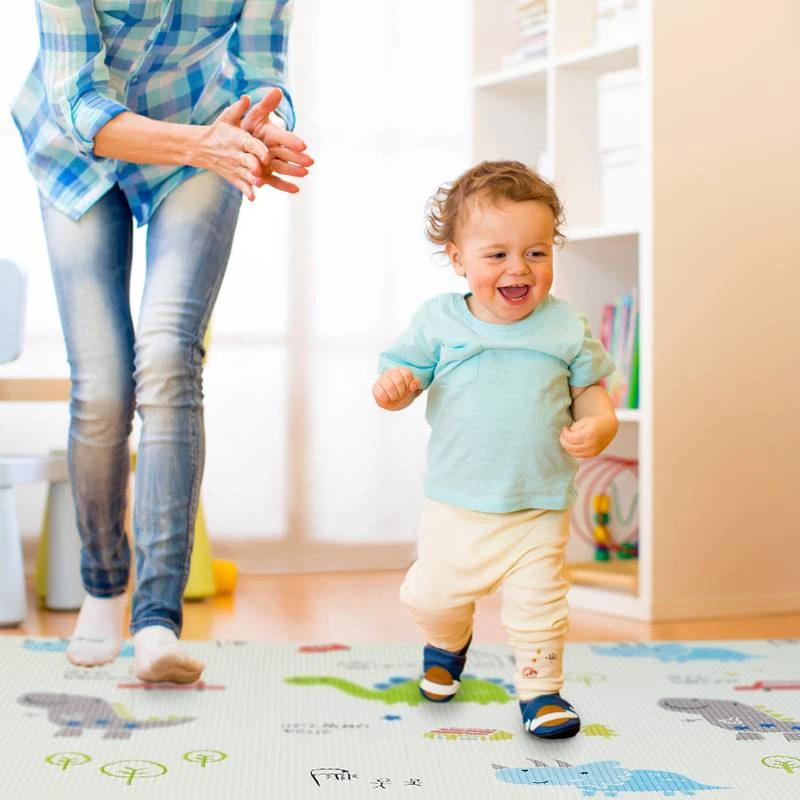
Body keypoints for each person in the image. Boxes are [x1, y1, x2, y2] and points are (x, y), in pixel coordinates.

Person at [11, 0, 313, 684]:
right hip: (78, 147)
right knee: (105, 386)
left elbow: (263, 73)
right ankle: (103, 585)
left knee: (171, 358)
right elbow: (76, 100)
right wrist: (202, 142)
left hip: (202, 133)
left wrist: (265, 132)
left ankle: (155, 622)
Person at [372, 160, 618, 739]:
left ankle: (541, 694)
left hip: (538, 499)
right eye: (497, 255)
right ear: (458, 259)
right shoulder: (438, 321)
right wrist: (395, 388)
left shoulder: (563, 326)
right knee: (433, 596)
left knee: (539, 606)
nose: (519, 268)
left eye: (536, 253)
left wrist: (599, 427)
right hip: (457, 501)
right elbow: (399, 376)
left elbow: (592, 394)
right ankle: (448, 638)